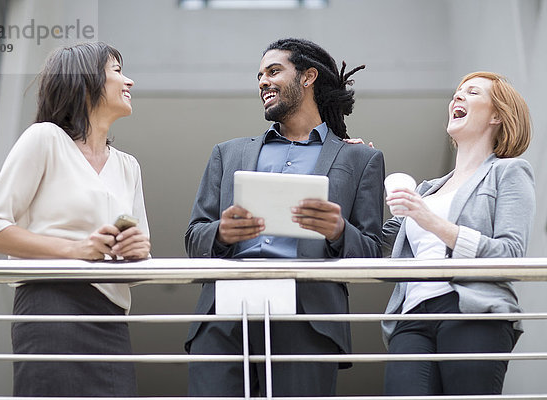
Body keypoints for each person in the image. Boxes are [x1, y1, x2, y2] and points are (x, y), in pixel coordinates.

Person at [184, 38, 385, 397]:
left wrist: (338, 231)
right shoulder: (226, 153)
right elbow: (194, 237)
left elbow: (371, 254)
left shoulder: (360, 159)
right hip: (224, 314)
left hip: (308, 319)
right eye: (259, 75)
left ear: (308, 77)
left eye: (274, 71)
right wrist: (221, 233)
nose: (262, 81)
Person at [0, 42, 151, 396]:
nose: (128, 81)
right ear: (85, 81)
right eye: (117, 71)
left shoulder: (128, 165)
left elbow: (139, 265)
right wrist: (77, 249)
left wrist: (136, 251)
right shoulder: (45, 139)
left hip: (111, 317)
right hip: (50, 302)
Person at [381, 71, 535, 395]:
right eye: (456, 93)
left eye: (472, 92)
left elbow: (510, 254)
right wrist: (362, 166)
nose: (457, 97)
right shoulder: (425, 191)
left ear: (497, 115)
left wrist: (433, 223)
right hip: (411, 316)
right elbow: (379, 251)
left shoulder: (508, 171)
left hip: (473, 311)